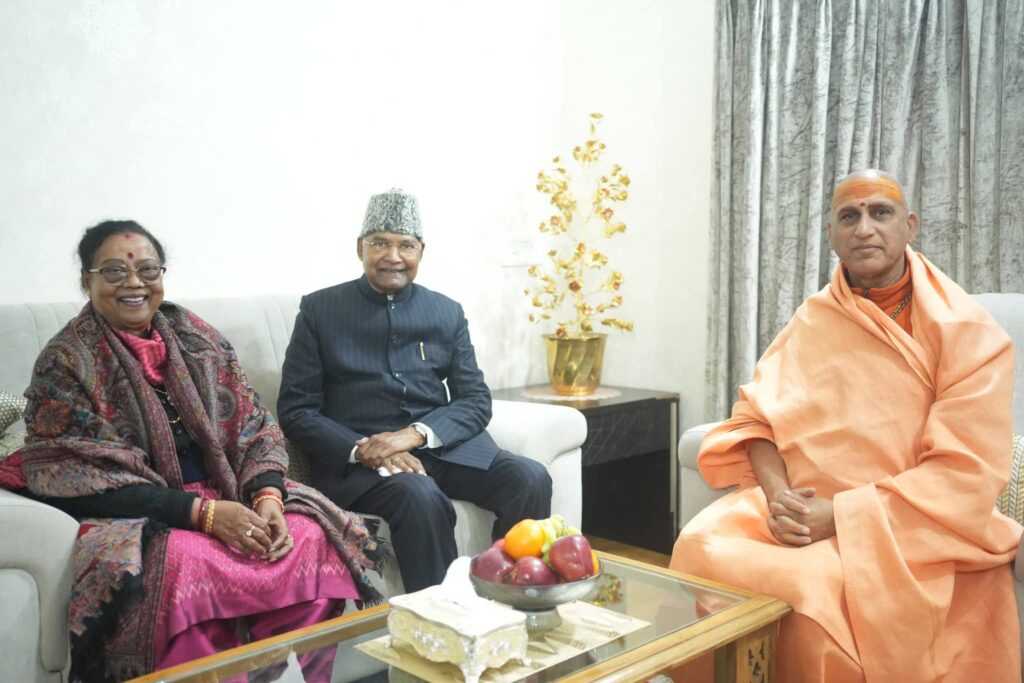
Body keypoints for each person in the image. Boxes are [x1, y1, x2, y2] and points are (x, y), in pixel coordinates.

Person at [671, 170, 1022, 682]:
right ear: (832, 236)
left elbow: (965, 473)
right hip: (797, 509)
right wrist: (780, 499)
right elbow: (754, 420)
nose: (864, 228)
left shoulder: (967, 330)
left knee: (810, 595)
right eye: (849, 217)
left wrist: (839, 516)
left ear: (909, 225)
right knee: (699, 545)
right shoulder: (814, 317)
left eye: (880, 213)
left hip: (907, 524)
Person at [18, 220, 382, 682]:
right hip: (146, 514)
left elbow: (252, 422)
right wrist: (203, 515)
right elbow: (74, 474)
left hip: (228, 492)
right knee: (186, 562)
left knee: (305, 535)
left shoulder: (194, 335)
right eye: (114, 272)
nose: (134, 283)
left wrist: (268, 497)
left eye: (148, 270)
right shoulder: (66, 360)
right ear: (86, 280)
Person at [278, 188, 552, 592]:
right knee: (420, 496)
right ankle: (443, 614)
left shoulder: (446, 312)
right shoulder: (320, 311)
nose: (393, 256)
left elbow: (475, 399)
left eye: (405, 245)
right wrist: (362, 448)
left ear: (421, 251)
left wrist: (415, 434)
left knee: (530, 477)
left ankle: (512, 595)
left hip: (443, 448)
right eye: (380, 243)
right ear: (360, 248)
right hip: (365, 464)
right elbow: (297, 409)